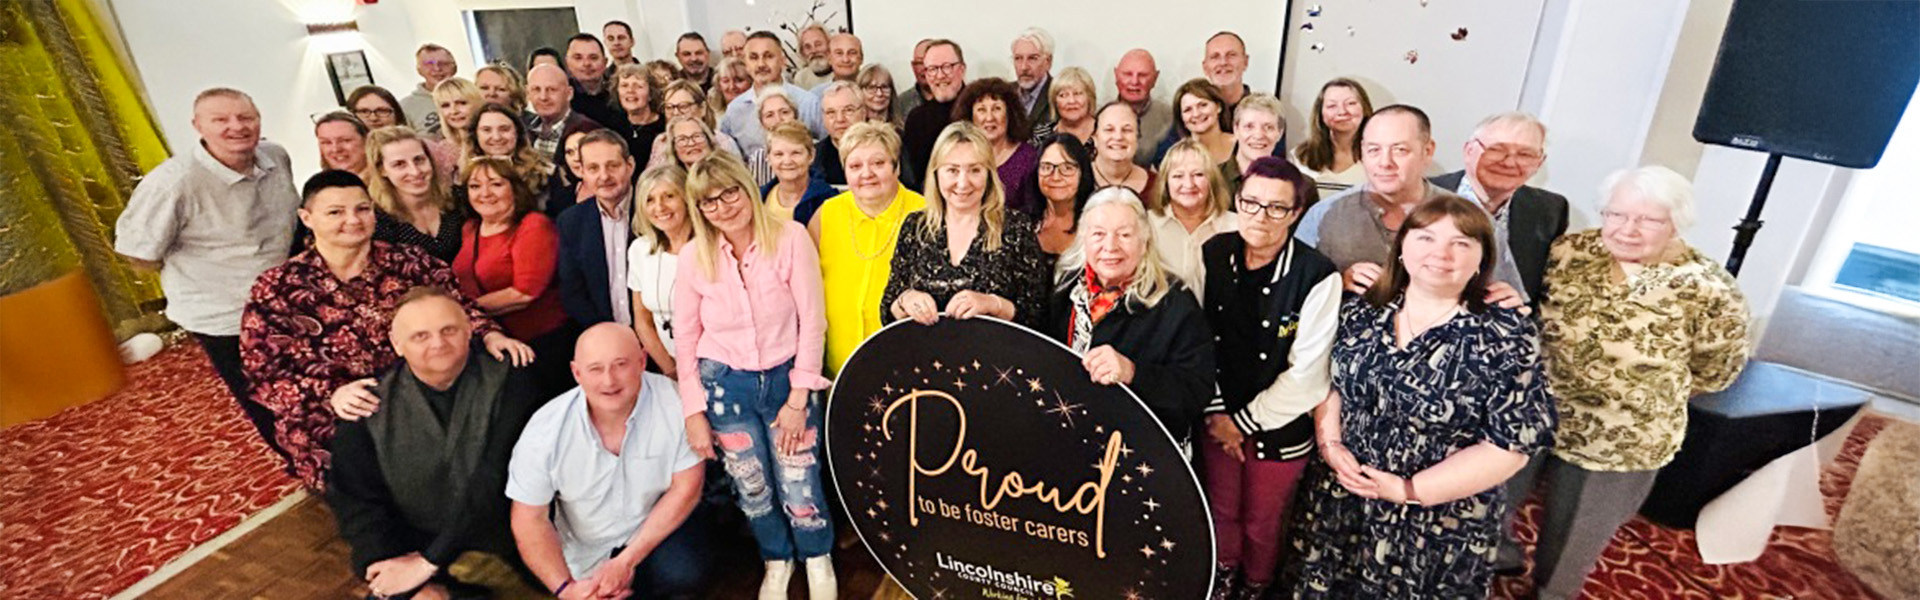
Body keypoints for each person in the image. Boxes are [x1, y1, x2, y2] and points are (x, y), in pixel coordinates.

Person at [1285, 194, 1554, 599]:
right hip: (1344, 495)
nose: (1441, 254)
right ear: (1402, 248)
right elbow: (1331, 383)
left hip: (1436, 519)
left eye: (1461, 243)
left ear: (1482, 258)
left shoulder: (1506, 335)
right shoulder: (1363, 311)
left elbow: (1509, 446)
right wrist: (1331, 443)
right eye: (1425, 239)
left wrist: (1409, 490)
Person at [1523, 166, 1750, 600]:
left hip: (1620, 436)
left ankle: (1550, 594)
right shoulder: (1570, 251)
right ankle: (1501, 561)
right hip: (1537, 411)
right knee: (1495, 504)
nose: (1627, 230)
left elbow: (1717, 370)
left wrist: (1636, 392)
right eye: (1616, 214)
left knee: (1575, 536)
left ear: (1676, 223)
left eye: (1648, 220)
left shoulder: (1709, 288)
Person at [245, 171, 531, 491]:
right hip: (339, 407)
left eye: (362, 209)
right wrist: (331, 393)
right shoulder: (278, 287)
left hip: (419, 393)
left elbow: (458, 306)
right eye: (336, 212)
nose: (353, 220)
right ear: (307, 218)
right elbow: (264, 372)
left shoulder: (410, 262)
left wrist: (491, 333)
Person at [674, 155, 837, 600]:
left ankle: (817, 557)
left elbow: (813, 321)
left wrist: (798, 397)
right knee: (752, 485)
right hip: (726, 386)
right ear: (699, 209)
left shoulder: (790, 238)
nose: (724, 206)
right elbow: (686, 338)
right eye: (710, 201)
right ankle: (776, 559)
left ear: (748, 188)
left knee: (799, 478)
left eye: (731, 192)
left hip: (787, 381)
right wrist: (693, 410)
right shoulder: (693, 257)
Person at [115, 87, 300, 465]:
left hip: (283, 298)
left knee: (303, 385)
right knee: (266, 399)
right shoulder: (172, 183)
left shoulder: (275, 157)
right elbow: (137, 253)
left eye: (246, 117)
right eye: (221, 120)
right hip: (225, 315)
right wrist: (203, 270)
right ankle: (306, 469)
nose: (237, 127)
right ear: (198, 126)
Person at [324, 286, 541, 600]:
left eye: (449, 330)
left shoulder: (513, 378)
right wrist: (386, 560)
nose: (438, 344)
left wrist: (430, 562)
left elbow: (494, 480)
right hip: (418, 540)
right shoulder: (367, 408)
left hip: (509, 533)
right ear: (397, 345)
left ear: (469, 330)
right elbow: (357, 500)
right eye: (420, 336)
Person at [1196, 157, 1338, 600]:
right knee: (1220, 510)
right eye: (1251, 203)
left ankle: (1256, 586)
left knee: (1262, 521)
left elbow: (1308, 375)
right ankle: (1222, 579)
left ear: (1296, 213)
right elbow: (1198, 339)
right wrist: (1218, 412)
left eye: (1277, 208)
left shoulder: (1317, 274)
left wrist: (1241, 422)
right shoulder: (1214, 253)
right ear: (1237, 201)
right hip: (1216, 415)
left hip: (1280, 423)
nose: (1260, 216)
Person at [507, 324, 710, 600]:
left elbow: (687, 489)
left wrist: (626, 561)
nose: (609, 381)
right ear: (576, 373)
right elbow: (529, 520)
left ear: (642, 361)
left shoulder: (675, 402)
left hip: (654, 527)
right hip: (585, 546)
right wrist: (568, 590)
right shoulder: (545, 430)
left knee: (683, 573)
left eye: (620, 365)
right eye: (595, 369)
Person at [1296, 105, 1531, 301]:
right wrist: (1336, 283)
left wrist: (1507, 302)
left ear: (1427, 151)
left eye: (1400, 150)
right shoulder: (1326, 215)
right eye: (1374, 150)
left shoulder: (1468, 218)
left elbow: (1506, 293)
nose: (1385, 162)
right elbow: (1292, 293)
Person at [1045, 187, 1213, 443]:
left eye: (1124, 234)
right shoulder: (1063, 286)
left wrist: (1133, 373)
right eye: (1098, 234)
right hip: (1070, 436)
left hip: (1139, 450)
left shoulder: (1175, 301)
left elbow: (1197, 390)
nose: (1110, 246)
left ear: (1144, 241)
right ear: (1084, 239)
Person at [882, 121, 1049, 331]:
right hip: (923, 357)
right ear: (936, 173)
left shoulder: (1016, 227)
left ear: (989, 174)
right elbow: (888, 310)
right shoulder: (915, 227)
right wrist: (905, 300)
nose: (963, 183)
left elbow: (1038, 314)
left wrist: (992, 304)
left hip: (996, 359)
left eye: (975, 170)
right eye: (952, 170)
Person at [808, 122, 927, 375]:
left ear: (896, 167)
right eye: (855, 166)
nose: (866, 173)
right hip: (837, 365)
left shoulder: (925, 215)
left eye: (878, 163)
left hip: (907, 363)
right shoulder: (826, 214)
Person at [452, 156, 573, 398]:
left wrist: (459, 312)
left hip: (541, 346)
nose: (484, 193)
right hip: (491, 343)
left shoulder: (533, 225)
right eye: (475, 186)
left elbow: (524, 293)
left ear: (515, 189)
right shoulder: (469, 229)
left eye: (496, 184)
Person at [1431, 112, 1570, 304]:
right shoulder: (1421, 196)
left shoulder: (1549, 210)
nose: (1509, 162)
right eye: (1496, 150)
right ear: (1469, 150)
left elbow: (1545, 292)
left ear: (1539, 162)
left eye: (1525, 154)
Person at [557, 130, 640, 328]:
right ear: (582, 172)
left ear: (630, 165)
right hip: (603, 336)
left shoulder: (654, 210)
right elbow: (572, 293)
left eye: (613, 166)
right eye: (593, 168)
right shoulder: (570, 222)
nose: (604, 176)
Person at [625, 166, 693, 380]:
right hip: (667, 368)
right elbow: (643, 321)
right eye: (650, 200)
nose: (660, 207)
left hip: (716, 365)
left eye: (669, 196)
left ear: (686, 198)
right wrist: (671, 371)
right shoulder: (640, 250)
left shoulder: (710, 248)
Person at [1148, 139, 1237, 291]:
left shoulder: (1236, 226)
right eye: (1178, 176)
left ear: (1212, 180)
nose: (1189, 184)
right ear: (1165, 182)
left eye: (1198, 174)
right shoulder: (1147, 225)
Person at [366, 127, 466, 264]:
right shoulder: (377, 223)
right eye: (399, 164)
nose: (415, 171)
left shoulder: (459, 198)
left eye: (419, 160)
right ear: (382, 170)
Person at [719, 32, 825, 159]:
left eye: (768, 56)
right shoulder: (734, 111)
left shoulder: (808, 103)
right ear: (745, 64)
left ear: (782, 60)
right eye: (753, 57)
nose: (761, 64)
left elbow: (825, 150)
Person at [952, 78, 1040, 216]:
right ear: (970, 117)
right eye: (981, 110)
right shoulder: (958, 157)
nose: (989, 118)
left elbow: (1035, 210)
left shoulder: (1029, 158)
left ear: (1010, 114)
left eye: (997, 109)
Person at [1291, 78, 1374, 195]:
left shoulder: (1379, 156)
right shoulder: (1299, 157)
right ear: (1320, 113)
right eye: (1331, 106)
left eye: (1351, 103)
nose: (1342, 111)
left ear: (1364, 108)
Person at [901, 39, 967, 183]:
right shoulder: (916, 119)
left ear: (962, 69)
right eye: (932, 69)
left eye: (947, 67)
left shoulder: (981, 110)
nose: (940, 75)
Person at [1026, 135, 1097, 256]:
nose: (1056, 177)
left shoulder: (1097, 223)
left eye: (1067, 168)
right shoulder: (1023, 224)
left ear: (1082, 173)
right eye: (1046, 167)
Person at [650, 80, 745, 170]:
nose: (675, 113)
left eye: (683, 106)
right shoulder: (661, 142)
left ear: (702, 108)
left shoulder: (723, 142)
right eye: (669, 107)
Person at [466, 103, 555, 197]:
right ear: (475, 135)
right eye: (486, 130)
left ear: (517, 133)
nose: (496, 137)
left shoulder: (546, 172)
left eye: (504, 129)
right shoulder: (464, 175)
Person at [526, 64, 604, 165]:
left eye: (552, 90)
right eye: (536, 89)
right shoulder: (520, 129)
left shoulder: (590, 131)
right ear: (528, 94)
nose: (543, 97)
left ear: (569, 93)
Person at [763, 121, 836, 225]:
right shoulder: (759, 198)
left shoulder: (828, 198)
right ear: (768, 158)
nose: (787, 161)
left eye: (796, 153)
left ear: (811, 155)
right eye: (779, 154)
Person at [1152, 79, 1234, 166]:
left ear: (1218, 107)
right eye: (1188, 110)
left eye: (1203, 105)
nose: (1196, 114)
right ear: (1181, 118)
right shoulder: (1176, 156)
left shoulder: (1241, 145)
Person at [1222, 94, 1288, 198]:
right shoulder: (1210, 179)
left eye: (1268, 127)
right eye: (1249, 126)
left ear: (1280, 133)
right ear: (1236, 130)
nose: (1259, 135)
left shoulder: (1299, 185)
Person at [1114, 49, 1172, 166]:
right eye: (1128, 74)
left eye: (1142, 75)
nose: (1135, 82)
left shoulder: (1170, 117)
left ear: (1155, 78)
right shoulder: (1100, 117)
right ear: (1116, 75)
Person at [565, 34, 626, 132]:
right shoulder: (562, 98)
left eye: (593, 58)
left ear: (605, 62)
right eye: (578, 58)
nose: (586, 64)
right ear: (567, 62)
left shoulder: (621, 91)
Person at [1090, 101, 1154, 194]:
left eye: (1127, 130)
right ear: (1095, 138)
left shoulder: (1157, 185)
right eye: (1109, 129)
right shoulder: (1076, 180)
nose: (1118, 137)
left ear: (1137, 138)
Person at [743, 86, 802, 186]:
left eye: (784, 112)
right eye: (770, 115)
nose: (778, 120)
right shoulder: (757, 159)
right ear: (762, 123)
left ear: (795, 116)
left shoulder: (815, 149)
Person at [614, 63, 668, 167]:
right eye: (624, 86)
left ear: (651, 94)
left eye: (638, 86)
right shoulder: (613, 126)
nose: (630, 91)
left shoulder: (664, 126)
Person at [812, 81, 865, 186]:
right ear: (823, 118)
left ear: (863, 113)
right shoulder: (813, 157)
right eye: (831, 113)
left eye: (848, 110)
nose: (840, 119)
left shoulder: (883, 150)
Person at [1010, 27, 1056, 141]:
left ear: (1048, 62)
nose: (1024, 67)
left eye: (1032, 58)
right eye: (1018, 58)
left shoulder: (1059, 94)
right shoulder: (1005, 93)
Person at [403, 44, 457, 132]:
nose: (437, 69)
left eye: (443, 63)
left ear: (454, 67)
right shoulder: (406, 107)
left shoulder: (474, 95)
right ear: (419, 70)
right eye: (429, 64)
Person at [1202, 32, 1252, 123]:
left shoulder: (1265, 112)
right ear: (1205, 68)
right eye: (1215, 57)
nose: (1223, 62)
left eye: (1231, 55)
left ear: (1245, 62)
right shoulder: (1195, 116)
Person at [1047, 67, 1097, 144]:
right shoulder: (1041, 135)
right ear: (1054, 101)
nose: (1071, 101)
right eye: (1063, 95)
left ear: (1090, 98)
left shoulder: (1105, 132)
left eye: (1077, 93)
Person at [430, 77, 481, 149]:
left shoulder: (494, 142)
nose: (454, 111)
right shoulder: (439, 151)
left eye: (461, 103)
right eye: (445, 105)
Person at [894, 39, 935, 123]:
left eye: (930, 62)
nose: (924, 68)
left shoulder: (957, 101)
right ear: (913, 66)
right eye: (920, 62)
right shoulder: (902, 103)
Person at [856, 64, 902, 129]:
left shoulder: (902, 131)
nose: (879, 94)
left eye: (884, 87)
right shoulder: (853, 131)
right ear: (860, 91)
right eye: (871, 88)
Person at [791, 23, 834, 90]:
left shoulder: (843, 71)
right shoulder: (801, 78)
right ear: (802, 52)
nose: (814, 51)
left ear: (829, 45)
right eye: (808, 47)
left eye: (818, 44)